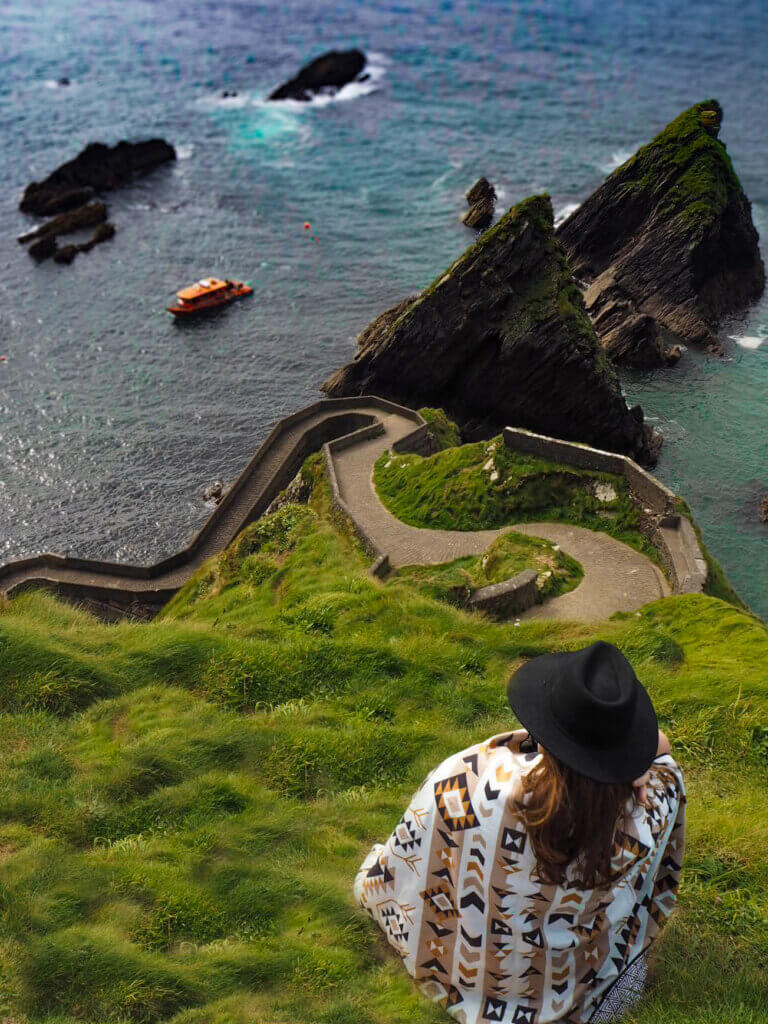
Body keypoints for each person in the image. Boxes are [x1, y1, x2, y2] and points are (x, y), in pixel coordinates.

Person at [355, 641, 685, 1023]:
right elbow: (663, 748)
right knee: (628, 971)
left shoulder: (468, 776)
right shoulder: (644, 818)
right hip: (564, 998)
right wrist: (639, 765)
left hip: (447, 965)